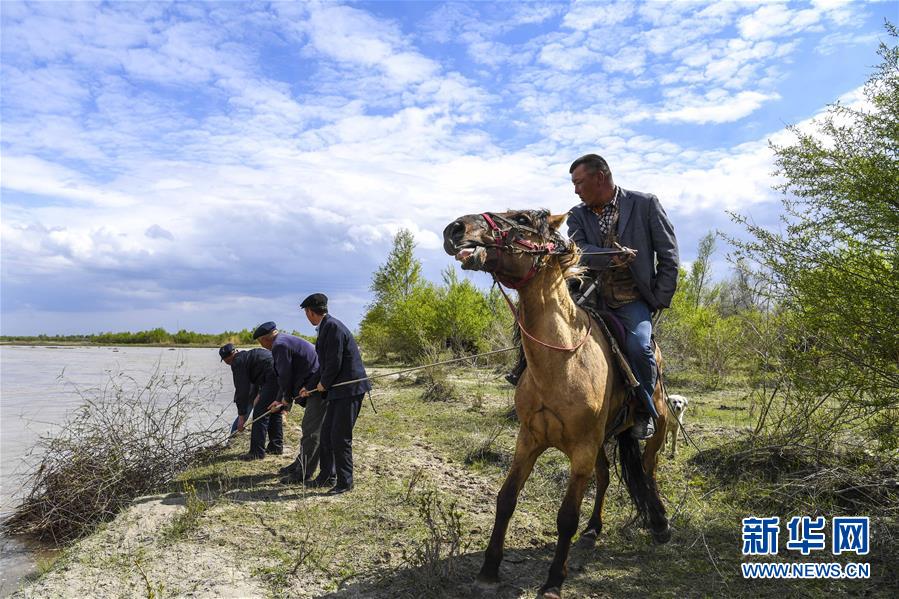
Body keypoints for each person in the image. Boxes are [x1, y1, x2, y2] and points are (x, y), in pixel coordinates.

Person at [566, 153, 679, 439]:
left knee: (640, 348)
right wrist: (612, 255)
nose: (576, 190)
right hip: (589, 298)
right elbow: (579, 250)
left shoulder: (645, 204)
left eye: (579, 182)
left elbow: (669, 256)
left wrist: (659, 299)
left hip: (631, 300)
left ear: (599, 177)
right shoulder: (577, 215)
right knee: (546, 328)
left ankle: (644, 411)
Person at [298, 293, 371, 495]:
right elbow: (323, 365)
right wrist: (311, 385)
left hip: (350, 389)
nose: (306, 315)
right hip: (338, 391)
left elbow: (334, 363)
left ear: (310, 312)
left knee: (340, 437)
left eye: (306, 312)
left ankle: (345, 482)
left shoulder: (332, 327)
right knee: (327, 434)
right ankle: (326, 476)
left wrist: (324, 384)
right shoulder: (326, 327)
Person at [252, 321, 324, 482]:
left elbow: (285, 375)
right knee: (311, 430)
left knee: (311, 432)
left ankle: (302, 473)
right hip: (312, 385)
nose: (263, 347)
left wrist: (285, 400)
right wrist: (279, 399)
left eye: (261, 343)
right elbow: (283, 376)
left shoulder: (279, 346)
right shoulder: (284, 340)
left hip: (316, 388)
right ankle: (299, 464)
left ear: (264, 340)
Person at [218, 342, 284, 460]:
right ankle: (276, 447)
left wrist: (242, 418)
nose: (228, 363)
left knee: (259, 413)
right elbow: (256, 378)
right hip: (281, 372)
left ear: (231, 356)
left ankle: (256, 453)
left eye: (227, 361)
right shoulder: (248, 356)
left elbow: (242, 391)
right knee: (273, 410)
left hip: (272, 375)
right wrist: (259, 394)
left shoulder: (237, 362)